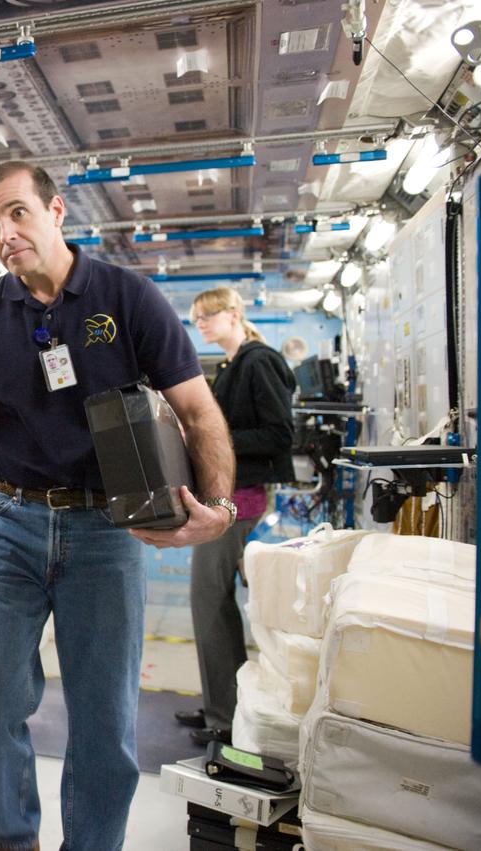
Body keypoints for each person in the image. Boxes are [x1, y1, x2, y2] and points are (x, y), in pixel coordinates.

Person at [0, 160, 235, 851]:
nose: (4, 233)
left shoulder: (127, 298)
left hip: (108, 531)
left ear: (58, 212)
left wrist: (218, 505)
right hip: (7, 522)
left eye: (17, 212)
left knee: (105, 719)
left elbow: (198, 411)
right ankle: (16, 837)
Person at [175, 286, 295, 746]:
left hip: (238, 501)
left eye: (208, 316)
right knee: (216, 605)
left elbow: (278, 433)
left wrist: (211, 442)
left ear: (234, 314)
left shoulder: (257, 362)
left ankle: (224, 718)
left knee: (209, 602)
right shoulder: (231, 365)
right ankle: (219, 706)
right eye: (197, 318)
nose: (201, 324)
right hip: (228, 497)